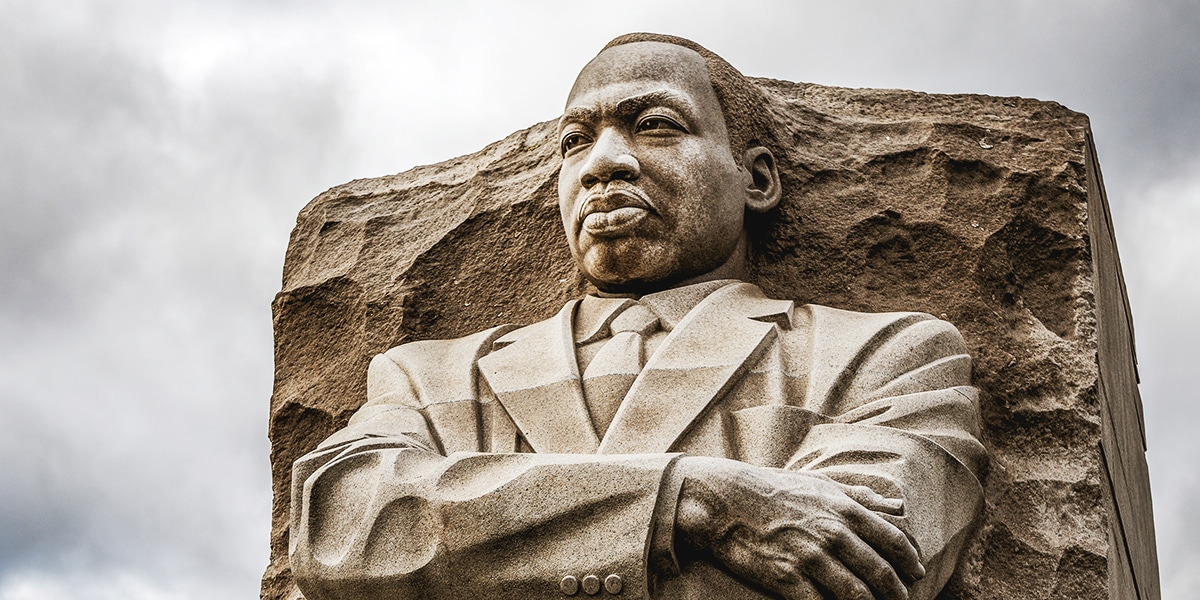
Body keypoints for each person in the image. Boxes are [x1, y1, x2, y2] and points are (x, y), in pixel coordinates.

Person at [289, 33, 985, 600]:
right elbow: (343, 531)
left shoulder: (888, 355)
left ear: (758, 179)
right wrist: (693, 501)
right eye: (574, 141)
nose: (604, 163)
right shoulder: (428, 376)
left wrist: (467, 558)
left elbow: (863, 572)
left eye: (654, 126)